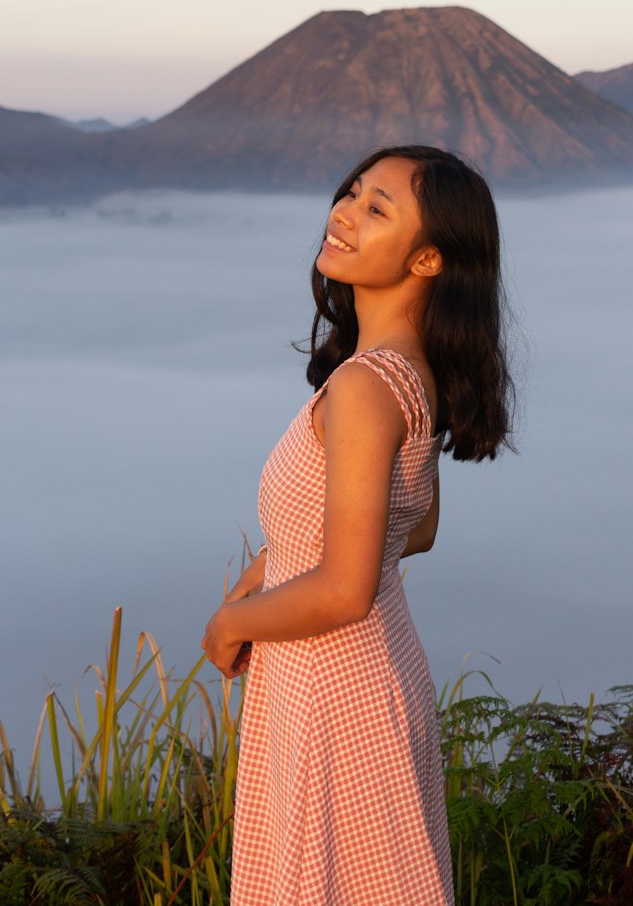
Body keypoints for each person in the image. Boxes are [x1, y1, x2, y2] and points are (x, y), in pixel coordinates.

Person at [202, 144, 514, 906]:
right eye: (352, 192)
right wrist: (279, 562)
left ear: (430, 259)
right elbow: (417, 525)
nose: (344, 211)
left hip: (332, 688)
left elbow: (345, 590)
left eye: (378, 208)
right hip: (370, 678)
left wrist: (232, 621)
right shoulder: (411, 372)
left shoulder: (367, 387)